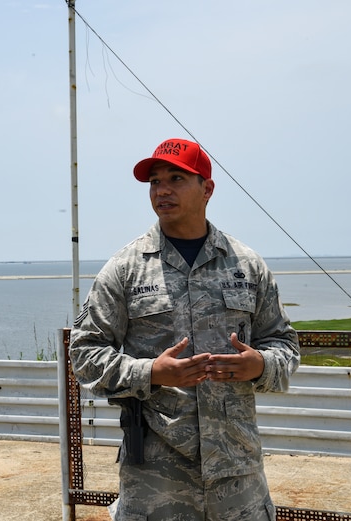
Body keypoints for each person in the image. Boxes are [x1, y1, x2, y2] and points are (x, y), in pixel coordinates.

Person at [69, 138, 300, 521]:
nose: (162, 190)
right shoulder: (125, 269)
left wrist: (259, 365)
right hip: (156, 480)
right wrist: (151, 372)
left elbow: (285, 345)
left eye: (176, 179)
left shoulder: (247, 265)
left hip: (237, 476)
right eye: (154, 182)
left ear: (207, 189)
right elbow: (84, 354)